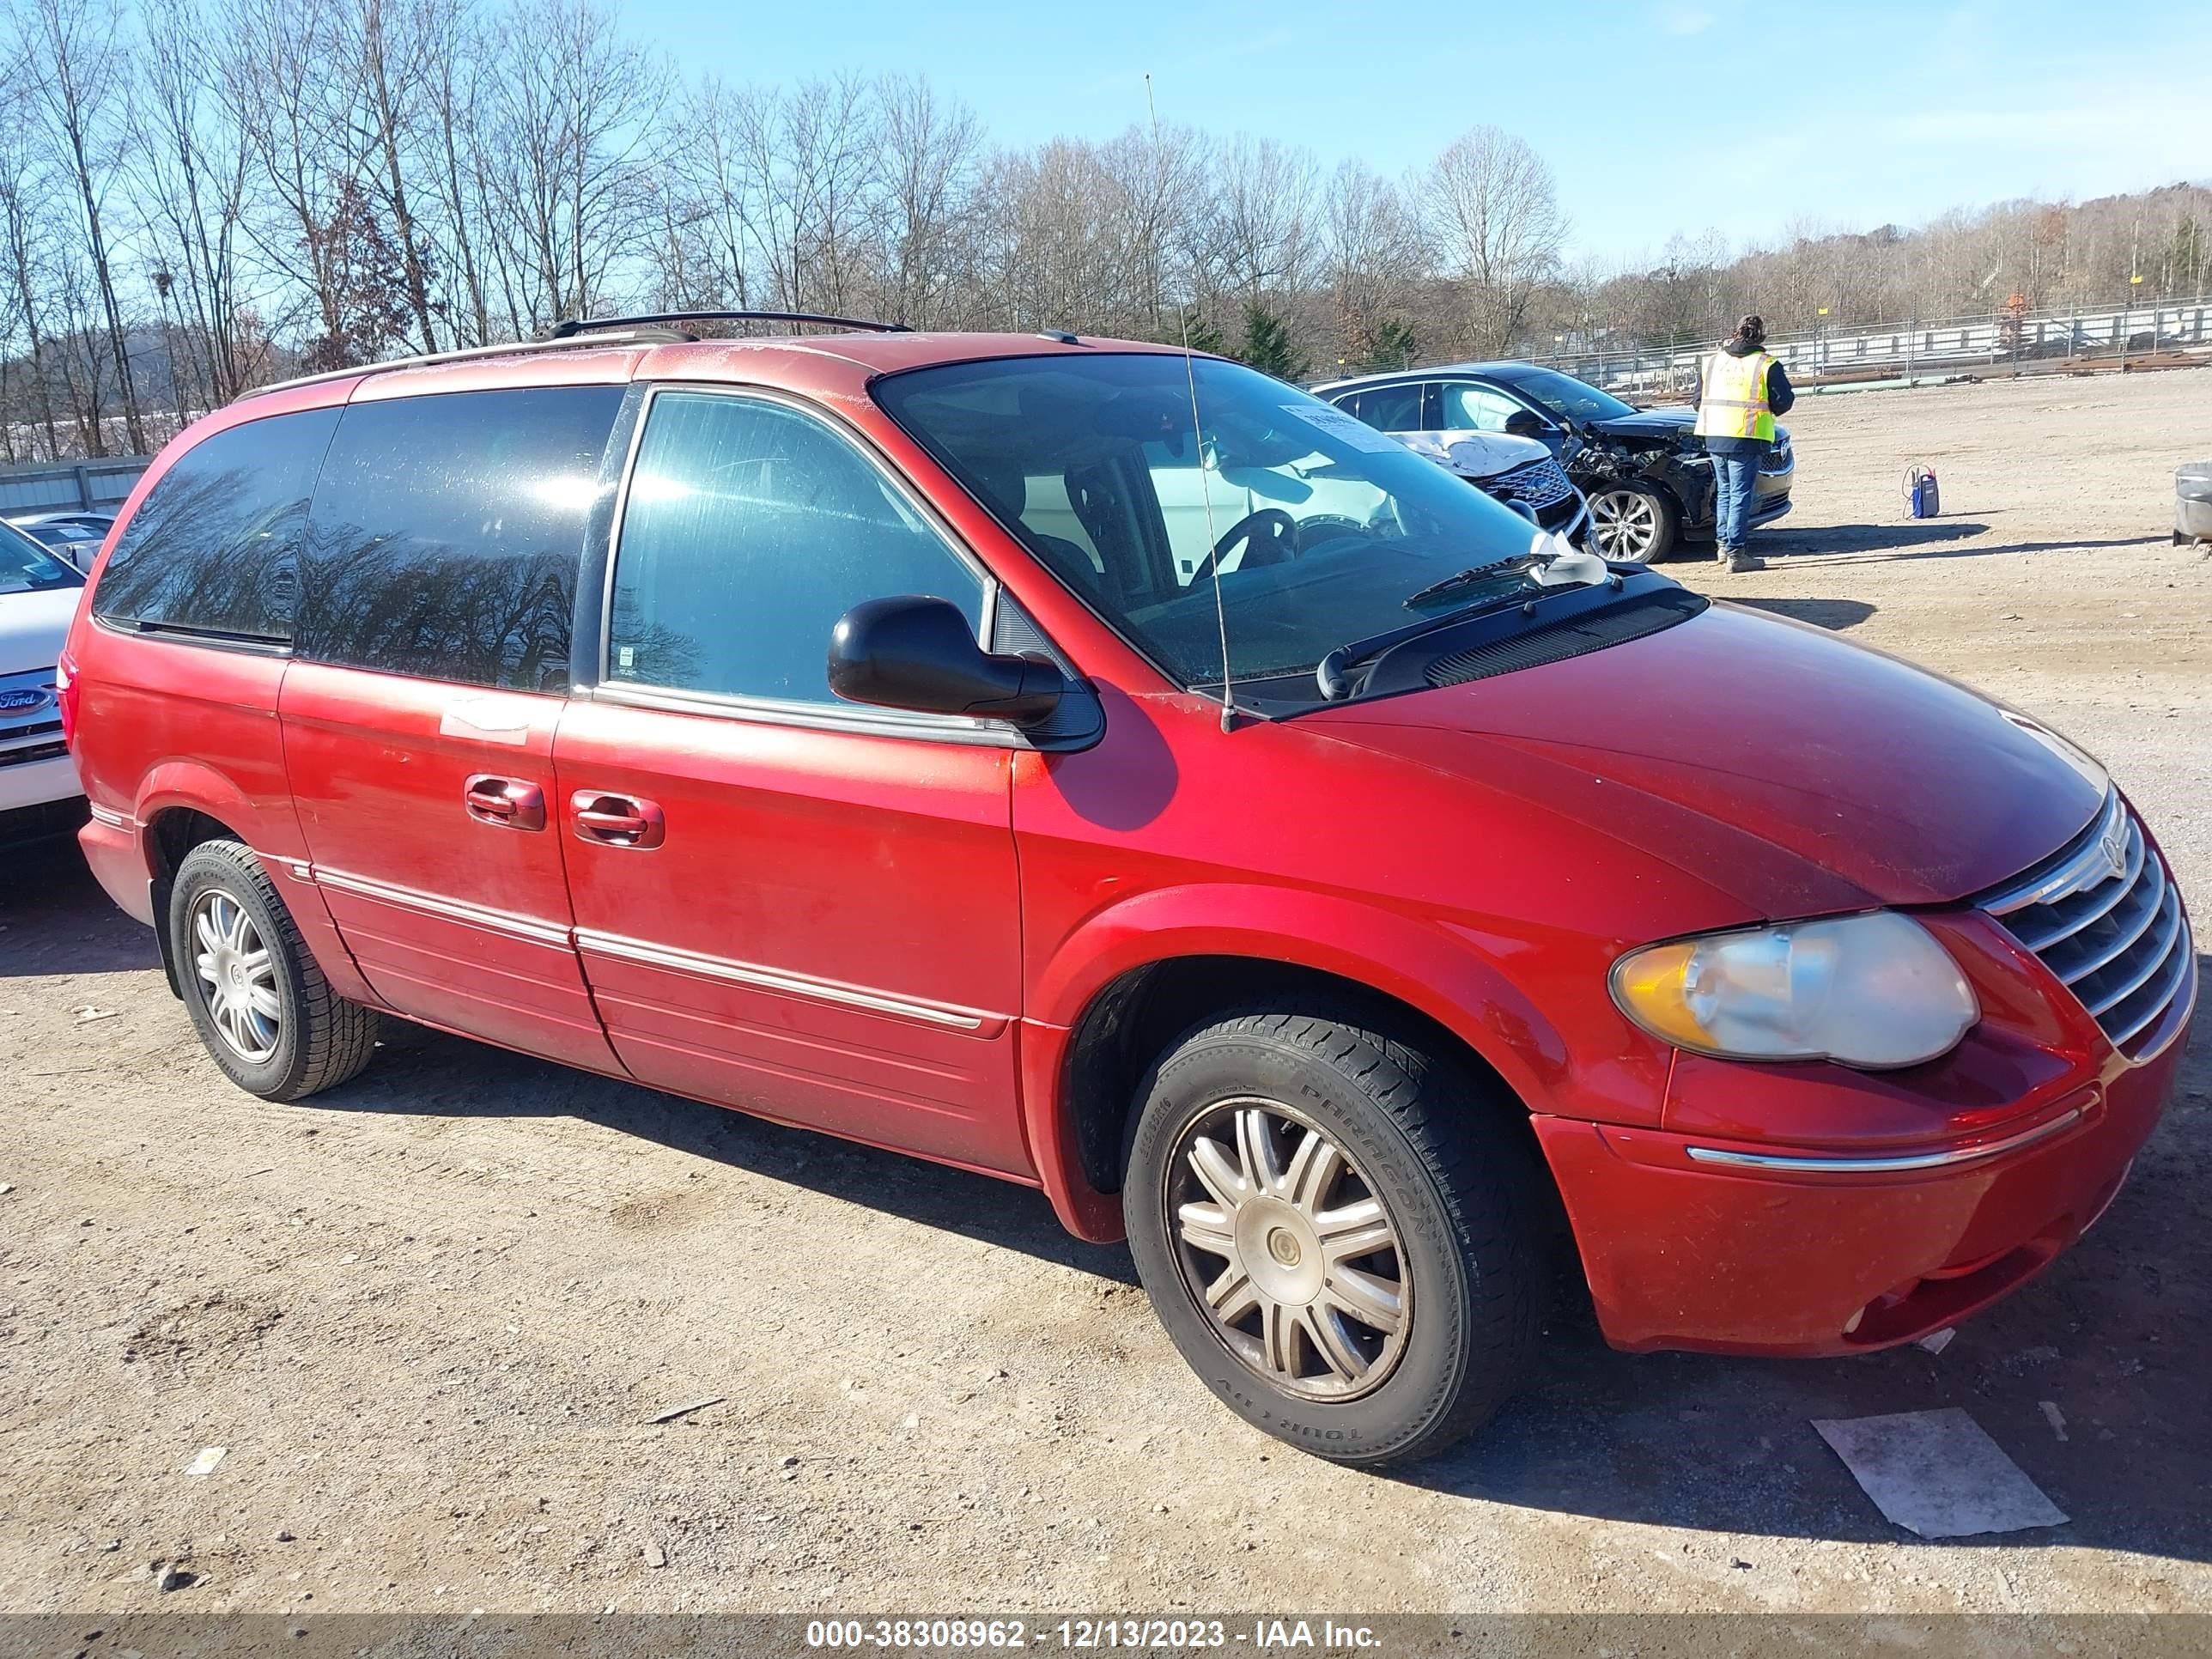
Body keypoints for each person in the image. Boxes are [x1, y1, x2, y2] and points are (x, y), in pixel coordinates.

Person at [1693, 314, 1794, 573]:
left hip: (1714, 435)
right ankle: (1736, 554)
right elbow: (1783, 401)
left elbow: (1697, 401)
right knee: (1740, 495)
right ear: (1761, 336)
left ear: (1735, 332)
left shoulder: (1713, 362)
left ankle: (1723, 547)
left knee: (1725, 493)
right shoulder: (1766, 364)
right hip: (1746, 436)